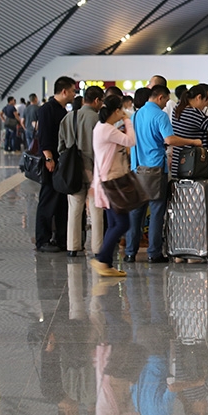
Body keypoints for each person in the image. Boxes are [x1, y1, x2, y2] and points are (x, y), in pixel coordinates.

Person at [127, 85, 203, 263]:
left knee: (136, 212)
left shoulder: (135, 115)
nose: (165, 105)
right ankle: (154, 253)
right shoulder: (160, 115)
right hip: (154, 170)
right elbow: (169, 139)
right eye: (166, 100)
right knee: (156, 211)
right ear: (160, 97)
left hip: (136, 169)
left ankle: (130, 252)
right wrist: (193, 141)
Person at [90, 95, 138, 278]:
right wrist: (128, 121)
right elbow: (131, 141)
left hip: (106, 180)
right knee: (123, 223)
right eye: (122, 110)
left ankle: (107, 264)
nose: (124, 112)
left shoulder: (102, 128)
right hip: (112, 182)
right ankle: (102, 259)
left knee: (113, 224)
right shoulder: (107, 130)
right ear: (116, 111)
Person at [59, 86, 104, 258]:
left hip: (72, 170)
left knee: (75, 208)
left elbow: (60, 146)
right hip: (94, 169)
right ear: (97, 100)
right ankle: (98, 248)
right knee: (96, 209)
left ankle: (73, 246)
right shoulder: (98, 119)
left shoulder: (68, 117)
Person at [35, 77, 78, 253]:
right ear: (64, 91)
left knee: (61, 200)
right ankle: (42, 240)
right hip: (51, 161)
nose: (75, 94)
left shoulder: (62, 109)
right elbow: (44, 136)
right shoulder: (47, 109)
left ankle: (61, 238)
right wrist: (48, 158)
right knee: (47, 199)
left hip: (61, 162)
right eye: (73, 91)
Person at [169, 84, 208, 181]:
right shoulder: (193, 112)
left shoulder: (178, 108)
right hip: (193, 163)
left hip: (178, 160)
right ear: (198, 97)